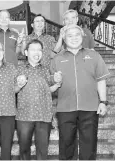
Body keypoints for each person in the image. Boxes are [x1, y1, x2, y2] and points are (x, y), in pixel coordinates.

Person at [50, 25, 110, 160]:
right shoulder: (57, 59)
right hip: (65, 108)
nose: (74, 38)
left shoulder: (94, 55)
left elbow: (101, 80)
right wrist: (54, 81)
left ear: (82, 36)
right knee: (66, 146)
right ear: (64, 38)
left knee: (89, 146)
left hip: (90, 108)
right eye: (70, 35)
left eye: (77, 34)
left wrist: (103, 102)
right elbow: (52, 85)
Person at [16, 39, 62, 160]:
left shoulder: (46, 70)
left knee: (42, 151)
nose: (37, 52)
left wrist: (57, 84)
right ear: (26, 52)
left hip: (44, 116)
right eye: (33, 49)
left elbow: (48, 89)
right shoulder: (18, 70)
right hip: (24, 116)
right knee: (24, 149)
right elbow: (12, 90)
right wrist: (18, 84)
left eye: (39, 50)